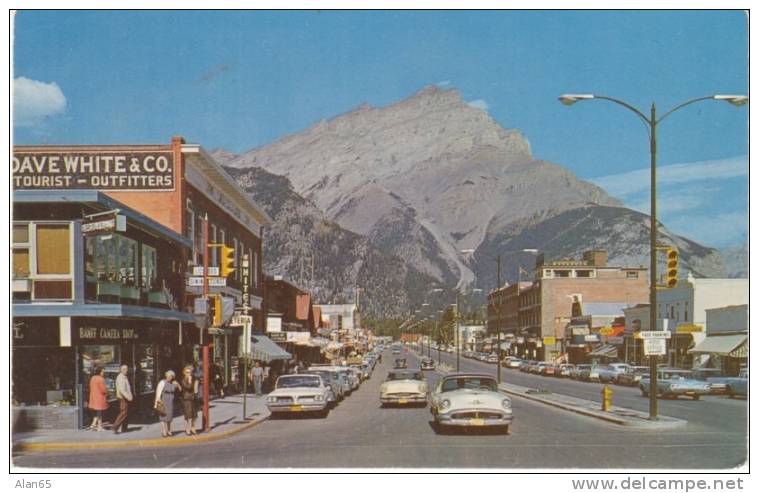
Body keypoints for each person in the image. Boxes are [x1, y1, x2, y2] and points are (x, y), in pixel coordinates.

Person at [154, 370, 178, 438]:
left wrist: (177, 384)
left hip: (170, 400)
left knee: (169, 416)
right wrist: (157, 401)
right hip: (164, 400)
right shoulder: (162, 382)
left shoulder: (173, 383)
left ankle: (169, 430)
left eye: (171, 376)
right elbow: (158, 392)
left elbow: (179, 389)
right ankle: (164, 431)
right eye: (168, 376)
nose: (169, 377)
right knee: (163, 416)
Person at [112, 364, 133, 434]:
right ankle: (115, 426)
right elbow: (122, 390)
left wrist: (130, 395)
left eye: (126, 369)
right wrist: (128, 397)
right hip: (123, 398)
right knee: (123, 412)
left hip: (126, 397)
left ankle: (124, 427)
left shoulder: (125, 377)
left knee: (126, 413)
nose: (125, 370)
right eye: (124, 369)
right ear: (120, 370)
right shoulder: (120, 377)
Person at [179, 365, 199, 435]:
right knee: (188, 415)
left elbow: (195, 388)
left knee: (194, 415)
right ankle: (187, 428)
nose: (189, 374)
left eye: (190, 372)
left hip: (193, 398)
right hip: (186, 399)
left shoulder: (193, 379)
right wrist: (190, 381)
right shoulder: (183, 380)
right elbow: (188, 387)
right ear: (184, 373)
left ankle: (193, 428)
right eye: (187, 372)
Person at [87, 367, 108, 431]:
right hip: (100, 398)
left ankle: (93, 425)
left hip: (93, 397)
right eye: (102, 371)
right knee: (100, 412)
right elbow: (103, 390)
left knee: (95, 412)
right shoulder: (101, 379)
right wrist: (107, 390)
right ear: (100, 372)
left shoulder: (92, 378)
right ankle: (99, 426)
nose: (103, 373)